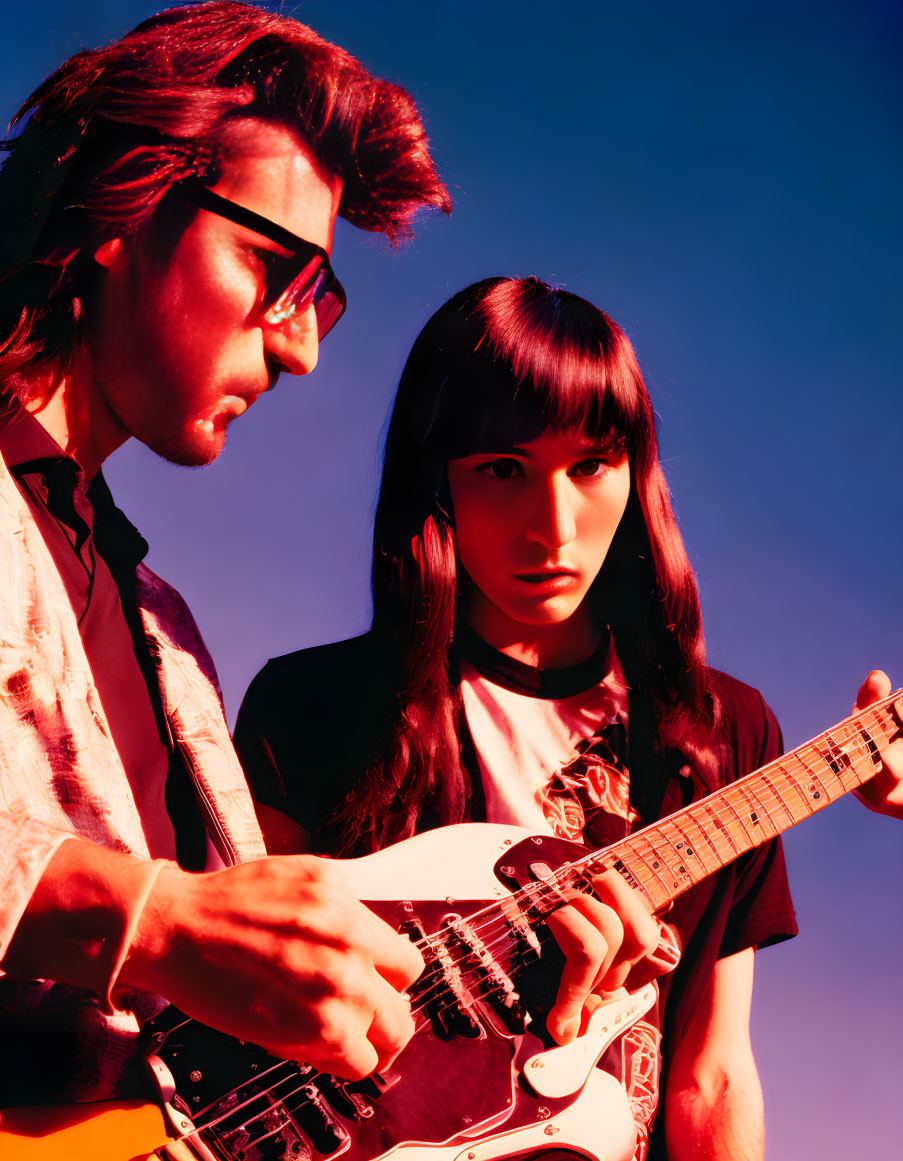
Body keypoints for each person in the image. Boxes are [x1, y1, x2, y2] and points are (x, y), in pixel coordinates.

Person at [235, 276, 903, 1161]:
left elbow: (710, 1073)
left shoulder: (723, 731)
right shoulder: (310, 705)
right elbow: (228, 1016)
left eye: (589, 466)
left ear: (636, 473)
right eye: (502, 470)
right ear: (435, 481)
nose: (551, 526)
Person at [0, 0, 454, 1108]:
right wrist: (153, 916)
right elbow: (171, 930)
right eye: (273, 265)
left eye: (322, 296)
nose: (299, 347)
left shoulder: (169, 632)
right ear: (123, 204)